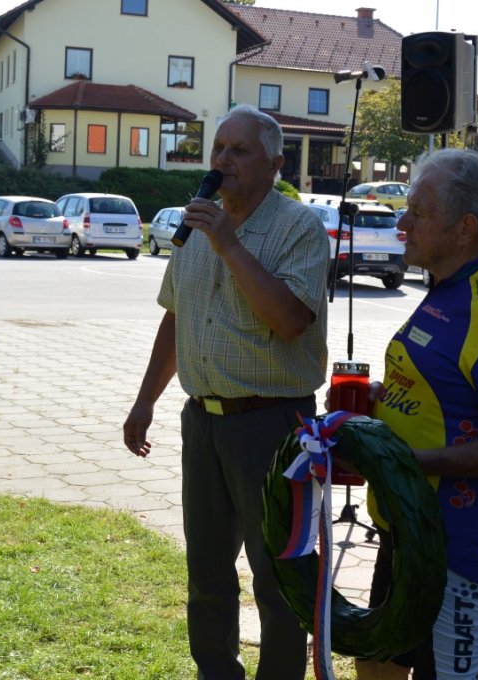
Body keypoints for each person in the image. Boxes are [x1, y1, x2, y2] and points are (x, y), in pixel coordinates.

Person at [123, 104, 330, 680]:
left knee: (277, 574)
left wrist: (230, 246)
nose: (223, 160)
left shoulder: (298, 227)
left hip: (273, 425)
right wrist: (146, 400)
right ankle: (215, 672)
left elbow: (291, 320)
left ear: (276, 164)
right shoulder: (197, 223)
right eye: (219, 148)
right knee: (207, 571)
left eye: (240, 150)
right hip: (204, 423)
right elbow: (176, 317)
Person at [356, 149, 478, 680]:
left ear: (465, 228)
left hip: (457, 548)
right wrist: (381, 400)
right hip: (408, 525)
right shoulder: (450, 287)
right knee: (374, 664)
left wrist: (411, 462)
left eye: (418, 212)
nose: (402, 223)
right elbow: (448, 390)